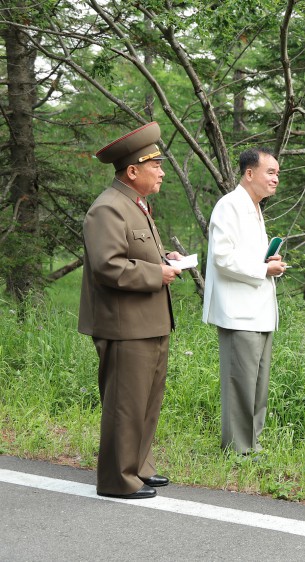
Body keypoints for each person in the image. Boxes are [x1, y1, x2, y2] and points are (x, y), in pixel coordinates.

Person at [79, 121, 182, 499]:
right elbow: (108, 266)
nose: (161, 172)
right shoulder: (107, 208)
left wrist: (165, 258)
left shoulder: (135, 204)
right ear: (133, 170)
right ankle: (116, 480)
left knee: (147, 401)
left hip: (149, 321)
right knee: (125, 403)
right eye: (155, 165)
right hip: (123, 325)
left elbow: (134, 254)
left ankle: (138, 467)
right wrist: (158, 272)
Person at [203, 147, 286, 456]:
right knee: (240, 384)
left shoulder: (253, 207)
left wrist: (268, 261)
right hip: (239, 312)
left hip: (259, 312)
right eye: (270, 172)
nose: (276, 178)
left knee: (257, 385)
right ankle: (237, 450)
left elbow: (245, 255)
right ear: (249, 174)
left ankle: (252, 444)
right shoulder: (229, 205)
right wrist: (264, 267)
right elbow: (222, 257)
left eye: (277, 173)